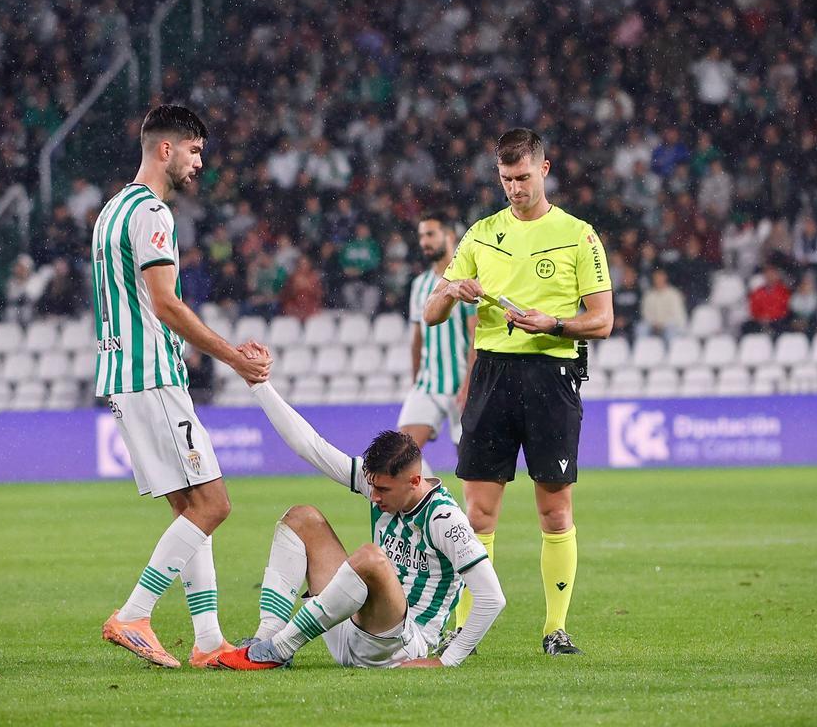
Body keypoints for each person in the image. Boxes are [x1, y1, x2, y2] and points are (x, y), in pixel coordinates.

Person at [92, 105, 272, 668]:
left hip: (123, 375)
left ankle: (208, 641)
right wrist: (233, 358)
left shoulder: (110, 210)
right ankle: (134, 614)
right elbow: (166, 304)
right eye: (194, 151)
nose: (199, 164)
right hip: (153, 374)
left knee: (190, 511)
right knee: (214, 504)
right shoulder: (152, 214)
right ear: (165, 149)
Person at [423, 128, 613, 656]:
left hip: (552, 377)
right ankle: (468, 629)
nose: (514, 188)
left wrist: (552, 324)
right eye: (506, 179)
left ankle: (556, 629)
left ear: (545, 170)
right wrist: (451, 290)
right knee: (478, 514)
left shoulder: (579, 235)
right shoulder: (481, 234)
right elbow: (430, 315)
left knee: (554, 511)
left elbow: (602, 320)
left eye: (523, 177)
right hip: (491, 376)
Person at [215, 379, 504, 670]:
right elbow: (311, 447)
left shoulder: (444, 519)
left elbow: (492, 598)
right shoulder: (380, 487)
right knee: (302, 518)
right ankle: (266, 639)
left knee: (371, 558)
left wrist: (446, 661)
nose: (374, 497)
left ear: (415, 481)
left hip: (400, 646)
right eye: (372, 487)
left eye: (384, 490)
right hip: (352, 627)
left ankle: (277, 649)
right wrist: (260, 386)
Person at [398, 213, 476, 458]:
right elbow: (416, 339)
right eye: (421, 236)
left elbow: (477, 337)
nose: (424, 242)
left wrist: (470, 384)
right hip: (428, 385)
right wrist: (415, 381)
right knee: (399, 457)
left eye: (430, 234)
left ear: (449, 236)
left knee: (470, 466)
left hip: (462, 384)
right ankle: (425, 495)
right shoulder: (419, 284)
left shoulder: (467, 280)